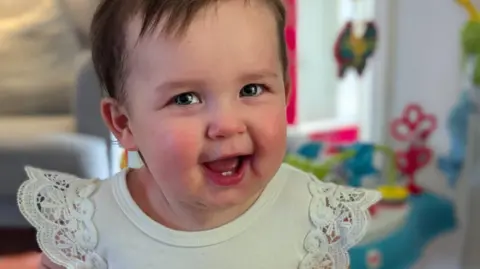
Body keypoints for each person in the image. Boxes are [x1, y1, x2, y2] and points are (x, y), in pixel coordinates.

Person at [17, 0, 381, 268]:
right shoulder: (91, 225)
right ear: (124, 124)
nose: (227, 124)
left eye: (251, 89)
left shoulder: (311, 215)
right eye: (186, 98)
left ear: (284, 91)